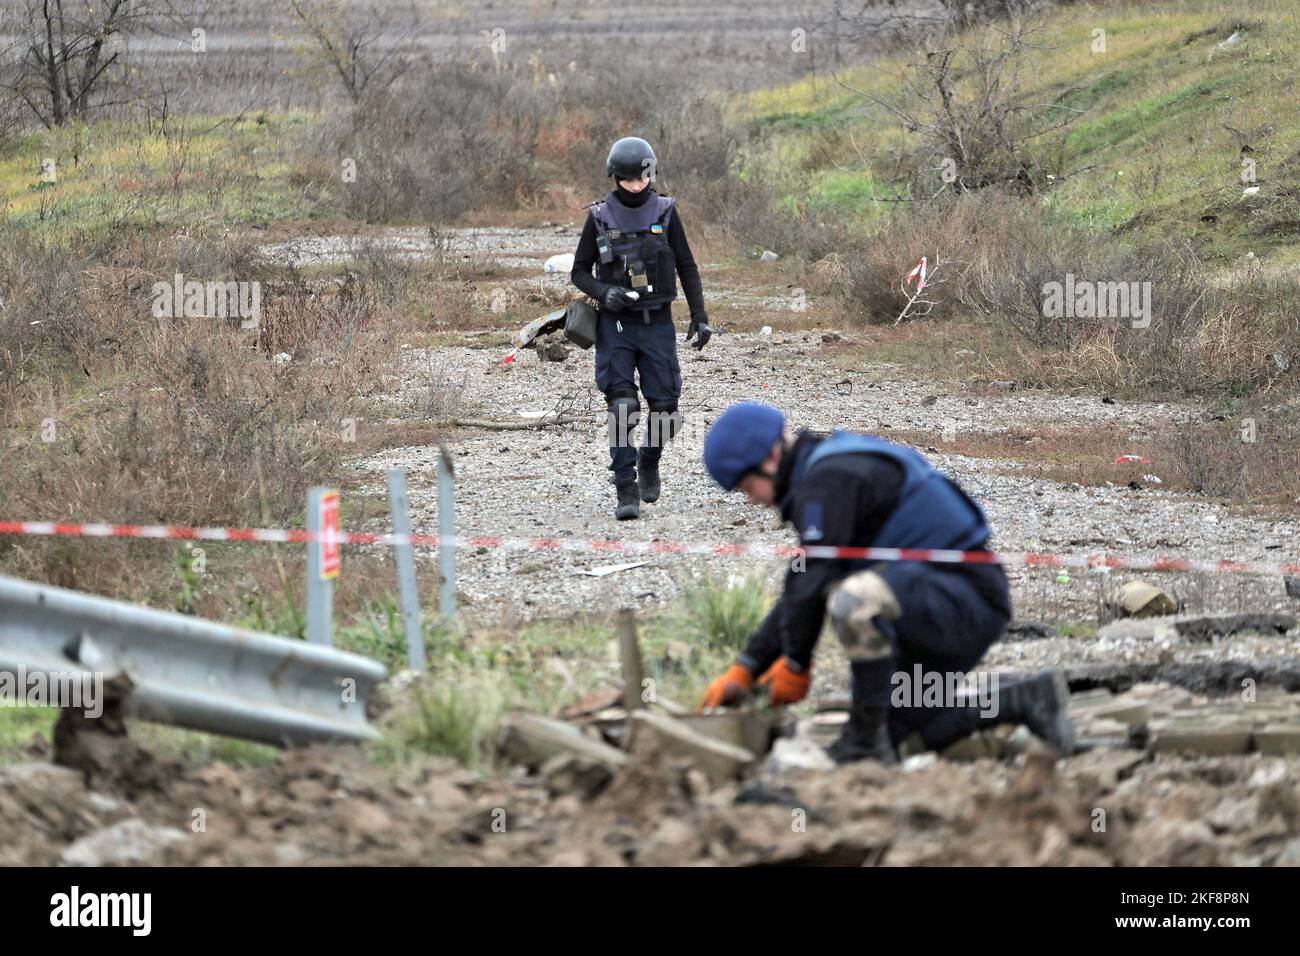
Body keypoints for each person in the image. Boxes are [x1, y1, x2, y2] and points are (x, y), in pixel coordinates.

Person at [698, 402, 1075, 764]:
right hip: (939, 605)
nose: (751, 501)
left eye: (748, 487)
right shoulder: (825, 475)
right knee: (903, 741)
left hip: (963, 601)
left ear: (770, 458)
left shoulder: (829, 480)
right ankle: (1024, 698)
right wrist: (748, 665)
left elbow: (813, 582)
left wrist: (796, 664)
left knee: (854, 601)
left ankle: (862, 742)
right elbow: (803, 583)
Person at [570, 136, 711, 520]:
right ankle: (625, 487)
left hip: (657, 324)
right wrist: (605, 291)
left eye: (641, 179)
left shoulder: (665, 212)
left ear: (651, 175)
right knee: (623, 407)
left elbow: (687, 266)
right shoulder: (598, 217)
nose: (635, 186)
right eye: (628, 179)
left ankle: (650, 458)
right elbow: (579, 271)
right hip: (615, 326)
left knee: (667, 409)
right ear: (615, 177)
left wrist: (699, 315)